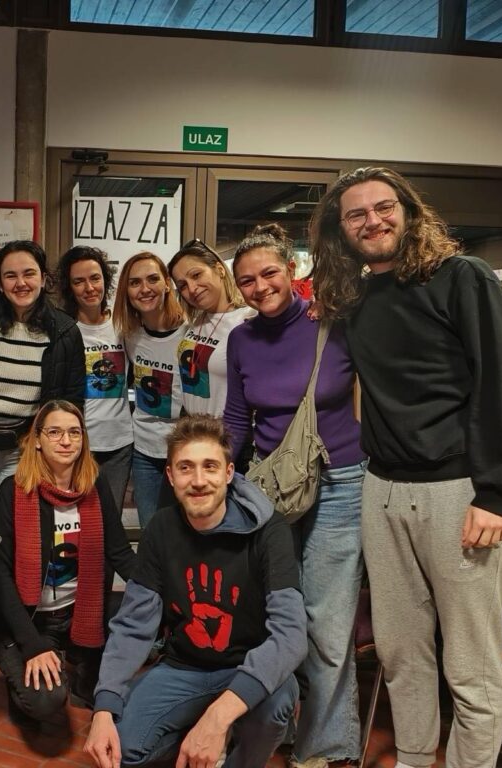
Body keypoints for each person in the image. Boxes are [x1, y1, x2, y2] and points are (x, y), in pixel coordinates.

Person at [310, 167, 502, 768]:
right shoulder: (355, 298)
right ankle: (412, 757)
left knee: (470, 663)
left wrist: (497, 495)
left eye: (384, 207)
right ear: (341, 230)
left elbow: (499, 386)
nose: (372, 221)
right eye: (356, 214)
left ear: (408, 211)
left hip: (460, 494)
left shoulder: (463, 278)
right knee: (401, 652)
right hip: (381, 491)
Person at [83, 415, 305, 768]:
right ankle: (196, 738)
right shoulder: (161, 529)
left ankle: (232, 748)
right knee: (121, 750)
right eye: (185, 468)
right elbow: (132, 627)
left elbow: (290, 635)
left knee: (275, 706)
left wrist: (217, 717)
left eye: (210, 466)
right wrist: (104, 707)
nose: (198, 481)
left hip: (248, 666)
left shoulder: (269, 530)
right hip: (184, 667)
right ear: (170, 476)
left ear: (229, 473)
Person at [224, 222, 367, 767]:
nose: (260, 287)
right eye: (247, 281)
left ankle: (324, 747)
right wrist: (218, 476)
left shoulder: (332, 323)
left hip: (340, 483)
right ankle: (277, 722)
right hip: (273, 488)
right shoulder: (241, 340)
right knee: (277, 612)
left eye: (269, 273)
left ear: (292, 270)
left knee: (326, 619)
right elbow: (237, 417)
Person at [0, 400, 135, 727]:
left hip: (80, 612)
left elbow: (121, 553)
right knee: (46, 700)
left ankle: (81, 668)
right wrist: (32, 645)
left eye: (74, 432)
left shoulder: (95, 487)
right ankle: (25, 673)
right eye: (54, 432)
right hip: (30, 620)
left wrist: (162, 591)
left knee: (116, 682)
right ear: (38, 439)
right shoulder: (13, 491)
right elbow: (0, 575)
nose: (66, 441)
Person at [0, 240, 86, 608]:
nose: (20, 283)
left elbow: (72, 400)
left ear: (43, 278)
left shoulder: (64, 330)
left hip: (21, 451)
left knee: (10, 540)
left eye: (28, 273)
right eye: (10, 275)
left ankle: (7, 625)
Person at [57, 246, 133, 517]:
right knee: (75, 520)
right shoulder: (64, 330)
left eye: (95, 278)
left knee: (110, 520)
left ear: (105, 280)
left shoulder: (124, 326)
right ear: (70, 287)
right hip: (76, 445)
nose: (89, 288)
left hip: (119, 444)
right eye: (79, 281)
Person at [112, 252, 185, 528]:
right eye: (135, 282)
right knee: (151, 531)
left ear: (167, 283)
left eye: (153, 279)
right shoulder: (128, 335)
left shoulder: (191, 331)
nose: (145, 289)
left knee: (187, 532)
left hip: (183, 447)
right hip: (144, 451)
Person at [168, 240, 253, 417]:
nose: (192, 288)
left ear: (219, 269)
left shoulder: (248, 319)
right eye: (183, 285)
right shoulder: (195, 322)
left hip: (226, 428)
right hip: (191, 425)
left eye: (196, 275)